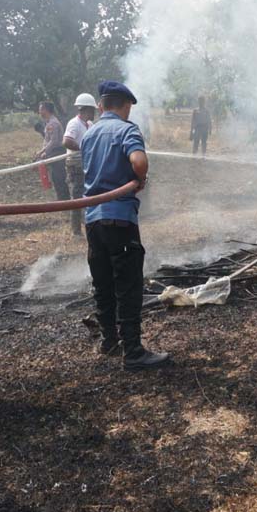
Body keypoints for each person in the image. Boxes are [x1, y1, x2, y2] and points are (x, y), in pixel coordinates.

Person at [80, 80, 168, 369]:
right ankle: (133, 352)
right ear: (126, 106)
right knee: (128, 285)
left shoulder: (89, 134)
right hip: (120, 219)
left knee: (102, 283)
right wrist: (139, 179)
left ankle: (109, 342)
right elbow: (139, 162)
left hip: (93, 220)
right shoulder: (127, 129)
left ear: (102, 106)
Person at [63, 93, 96, 236]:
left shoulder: (89, 124)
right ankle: (76, 231)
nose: (94, 112)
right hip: (76, 165)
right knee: (76, 198)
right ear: (85, 109)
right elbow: (66, 141)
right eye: (92, 110)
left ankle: (88, 224)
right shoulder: (74, 123)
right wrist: (84, 148)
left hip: (87, 163)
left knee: (88, 195)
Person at [36, 102, 70, 202]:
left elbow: (54, 141)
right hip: (53, 152)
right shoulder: (48, 123)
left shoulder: (53, 123)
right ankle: (61, 199)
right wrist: (44, 152)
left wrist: (43, 151)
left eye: (41, 109)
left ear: (46, 110)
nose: (39, 112)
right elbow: (47, 139)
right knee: (55, 178)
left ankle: (64, 200)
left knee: (59, 177)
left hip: (57, 152)